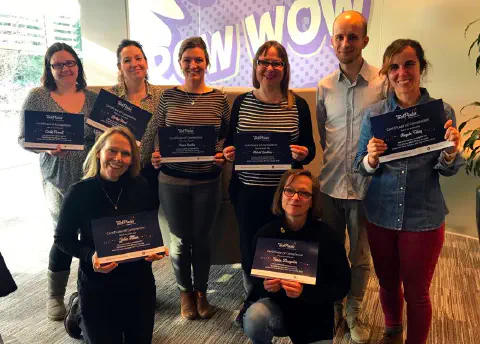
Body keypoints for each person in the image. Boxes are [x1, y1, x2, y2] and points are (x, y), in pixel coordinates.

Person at [353, 39, 463, 344]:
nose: (402, 72)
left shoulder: (441, 112)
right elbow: (358, 166)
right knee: (387, 284)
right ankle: (392, 330)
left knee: (417, 293)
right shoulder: (374, 115)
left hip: (423, 217)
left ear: (421, 68)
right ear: (387, 74)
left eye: (409, 64)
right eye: (394, 67)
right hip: (380, 215)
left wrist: (451, 151)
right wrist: (371, 158)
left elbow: (449, 169)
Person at [223, 40, 316, 327]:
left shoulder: (297, 104)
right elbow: (230, 144)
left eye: (276, 63)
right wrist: (229, 154)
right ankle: (253, 300)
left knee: (282, 248)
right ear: (256, 67)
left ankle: (283, 303)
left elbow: (309, 149)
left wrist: (303, 153)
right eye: (263, 62)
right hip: (248, 191)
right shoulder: (241, 102)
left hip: (286, 195)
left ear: (285, 68)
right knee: (250, 247)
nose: (269, 68)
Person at [55, 127, 167, 343]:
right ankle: (78, 312)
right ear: (99, 152)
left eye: (125, 153)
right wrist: (90, 256)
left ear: (132, 158)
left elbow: (147, 228)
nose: (118, 159)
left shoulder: (142, 186)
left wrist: (155, 248)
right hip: (98, 283)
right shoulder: (78, 192)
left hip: (138, 282)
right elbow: (62, 238)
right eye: (112, 151)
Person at [316, 10, 386, 342]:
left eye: (353, 36)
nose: (346, 43)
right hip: (330, 185)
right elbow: (323, 134)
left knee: (360, 256)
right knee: (329, 251)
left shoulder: (383, 83)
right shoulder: (324, 86)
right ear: (332, 41)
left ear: (365, 41)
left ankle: (354, 307)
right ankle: (333, 303)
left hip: (366, 189)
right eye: (340, 37)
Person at [151, 36, 230, 320]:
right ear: (180, 63)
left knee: (203, 239)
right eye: (187, 60)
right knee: (181, 240)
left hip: (208, 181)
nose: (193, 65)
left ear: (207, 62)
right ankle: (185, 291)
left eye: (198, 59)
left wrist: (221, 154)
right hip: (171, 181)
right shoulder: (168, 97)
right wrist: (156, 155)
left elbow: (223, 137)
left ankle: (201, 292)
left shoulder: (219, 98)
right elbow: (160, 134)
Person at [17, 42, 97, 321]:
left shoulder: (92, 98)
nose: (65, 69)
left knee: (91, 233)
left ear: (78, 65)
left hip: (90, 174)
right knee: (63, 236)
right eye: (58, 64)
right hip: (57, 176)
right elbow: (23, 138)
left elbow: (104, 135)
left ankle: (89, 289)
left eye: (70, 63)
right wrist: (45, 147)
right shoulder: (37, 97)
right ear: (49, 68)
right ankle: (55, 295)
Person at [243, 169, 350, 344]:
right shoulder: (266, 233)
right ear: (281, 195)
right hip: (279, 309)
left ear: (312, 201)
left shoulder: (328, 237)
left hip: (316, 314)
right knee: (254, 318)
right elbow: (252, 273)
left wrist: (304, 292)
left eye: (304, 193)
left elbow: (342, 285)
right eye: (289, 191)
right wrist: (265, 285)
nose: (295, 197)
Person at [103, 39, 163, 203]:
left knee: (148, 222)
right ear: (119, 67)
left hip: (149, 173)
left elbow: (162, 131)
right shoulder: (110, 96)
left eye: (138, 58)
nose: (134, 64)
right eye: (127, 60)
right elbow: (100, 137)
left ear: (146, 62)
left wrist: (159, 150)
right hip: (117, 171)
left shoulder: (160, 96)